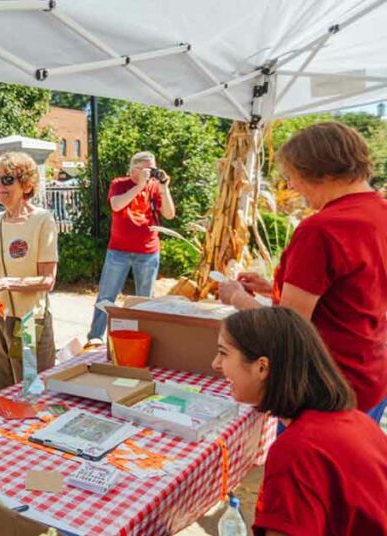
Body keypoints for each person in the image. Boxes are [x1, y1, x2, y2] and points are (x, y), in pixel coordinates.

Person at [219, 121, 387, 421]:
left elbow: (287, 331)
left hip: (327, 387)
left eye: (293, 176)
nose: (292, 186)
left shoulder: (323, 228)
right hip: (371, 373)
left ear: (323, 172)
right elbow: (356, 290)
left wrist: (236, 298)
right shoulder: (379, 213)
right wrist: (271, 285)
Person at [213, 307, 387, 535]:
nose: (216, 364)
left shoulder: (296, 452)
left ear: (262, 367)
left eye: (223, 353)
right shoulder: (357, 421)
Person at [0, 152, 59, 393]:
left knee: (31, 390)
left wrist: (4, 283)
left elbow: (48, 280)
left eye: (7, 179)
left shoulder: (42, 220)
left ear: (27, 184)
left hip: (29, 322)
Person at [85, 151, 176, 349]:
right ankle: (95, 336)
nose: (150, 172)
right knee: (107, 295)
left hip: (148, 251)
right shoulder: (120, 184)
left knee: (145, 299)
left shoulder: (155, 188)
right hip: (119, 250)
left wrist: (164, 188)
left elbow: (169, 214)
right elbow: (117, 205)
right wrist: (139, 186)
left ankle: (143, 337)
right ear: (134, 169)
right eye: (146, 169)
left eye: (153, 168)